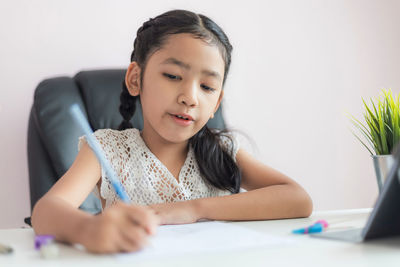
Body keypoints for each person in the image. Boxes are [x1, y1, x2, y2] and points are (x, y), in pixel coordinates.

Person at [32, 9, 313, 254]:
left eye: (206, 87)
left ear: (216, 102)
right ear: (135, 79)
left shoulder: (223, 150)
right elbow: (45, 212)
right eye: (173, 76)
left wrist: (194, 210)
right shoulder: (107, 150)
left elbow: (298, 199)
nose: (190, 97)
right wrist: (91, 230)